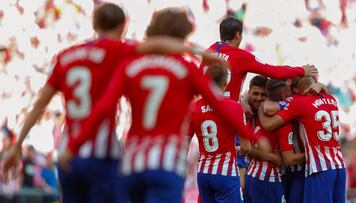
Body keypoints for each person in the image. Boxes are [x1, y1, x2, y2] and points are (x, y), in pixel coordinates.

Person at [1, 3, 213, 203]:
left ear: (94, 24)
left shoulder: (66, 57)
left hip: (68, 153)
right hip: (102, 154)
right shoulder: (117, 50)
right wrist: (199, 52)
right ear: (123, 27)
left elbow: (40, 104)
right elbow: (158, 44)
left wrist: (17, 145)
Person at [62, 8, 257, 203]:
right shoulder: (185, 69)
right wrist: (250, 135)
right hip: (165, 165)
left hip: (133, 164)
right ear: (182, 35)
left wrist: (74, 145)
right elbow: (220, 104)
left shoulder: (131, 66)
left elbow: (103, 108)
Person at [259, 76, 346, 203]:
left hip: (319, 168)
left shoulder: (299, 101)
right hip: (339, 166)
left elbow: (268, 123)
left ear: (296, 89)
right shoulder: (331, 98)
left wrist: (260, 108)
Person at [200, 17, 318, 102]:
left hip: (204, 109)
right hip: (226, 110)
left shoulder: (209, 51)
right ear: (237, 35)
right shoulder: (241, 56)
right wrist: (301, 70)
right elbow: (273, 72)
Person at [187, 63, 251, 203]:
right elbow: (246, 147)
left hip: (203, 173)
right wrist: (237, 149)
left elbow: (185, 145)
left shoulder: (194, 108)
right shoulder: (234, 107)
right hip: (225, 173)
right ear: (225, 83)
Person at [242, 79, 285, 203]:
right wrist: (272, 158)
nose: (259, 98)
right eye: (255, 94)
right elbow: (244, 149)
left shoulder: (274, 113)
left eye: (263, 95)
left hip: (270, 181)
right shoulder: (245, 112)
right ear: (249, 92)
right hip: (257, 180)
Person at [264, 79, 306, 203]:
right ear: (283, 95)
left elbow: (267, 109)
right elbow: (267, 109)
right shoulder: (289, 101)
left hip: (298, 170)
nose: (293, 89)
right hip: (284, 171)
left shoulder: (294, 100)